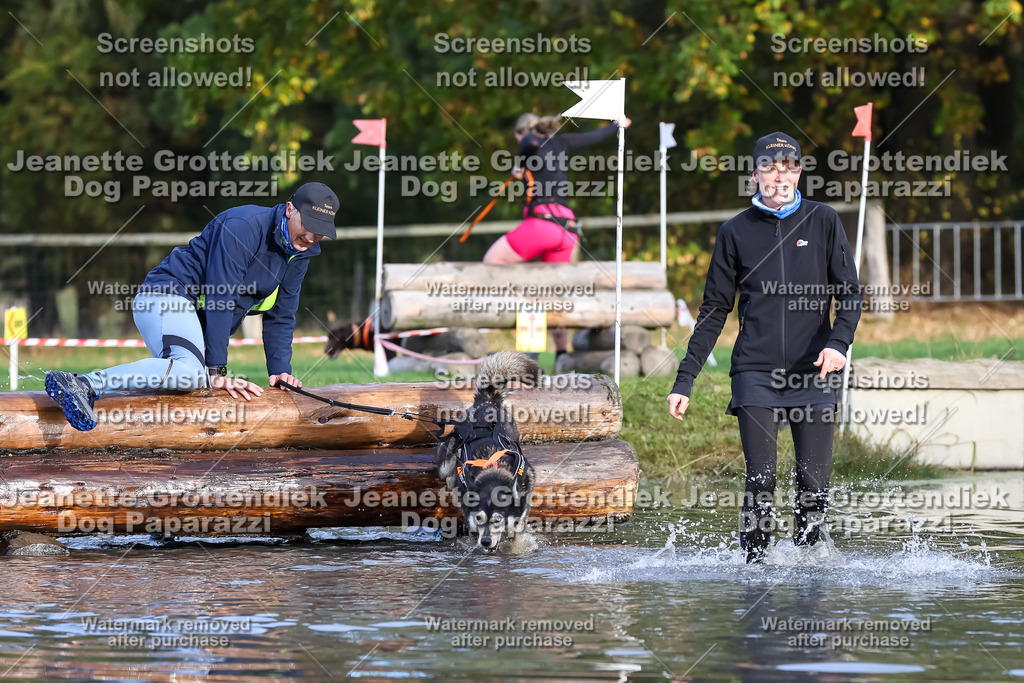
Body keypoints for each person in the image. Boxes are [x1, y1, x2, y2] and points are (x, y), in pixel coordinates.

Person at [665, 132, 862, 563]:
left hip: (815, 371)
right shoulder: (735, 232)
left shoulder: (824, 220)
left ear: (798, 172)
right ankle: (754, 568)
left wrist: (839, 343)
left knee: (813, 485)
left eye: (788, 166)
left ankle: (807, 566)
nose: (780, 175)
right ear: (755, 175)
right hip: (755, 372)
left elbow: (850, 294)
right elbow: (715, 309)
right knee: (761, 479)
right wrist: (685, 380)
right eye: (770, 167)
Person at [44, 182, 340, 431]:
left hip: (194, 314)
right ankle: (82, 384)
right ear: (290, 209)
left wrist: (280, 371)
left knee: (186, 380)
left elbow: (282, 314)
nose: (312, 238)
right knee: (192, 375)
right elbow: (220, 298)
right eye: (309, 226)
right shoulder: (243, 227)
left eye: (321, 232)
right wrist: (216, 371)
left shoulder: (302, 251)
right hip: (166, 295)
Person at [483, 112, 630, 360]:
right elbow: (594, 136)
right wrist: (617, 125)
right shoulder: (561, 141)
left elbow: (529, 145)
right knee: (552, 293)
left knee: (493, 260)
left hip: (544, 224)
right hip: (568, 229)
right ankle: (561, 355)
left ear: (521, 132)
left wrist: (520, 165)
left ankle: (511, 325)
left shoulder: (528, 141)